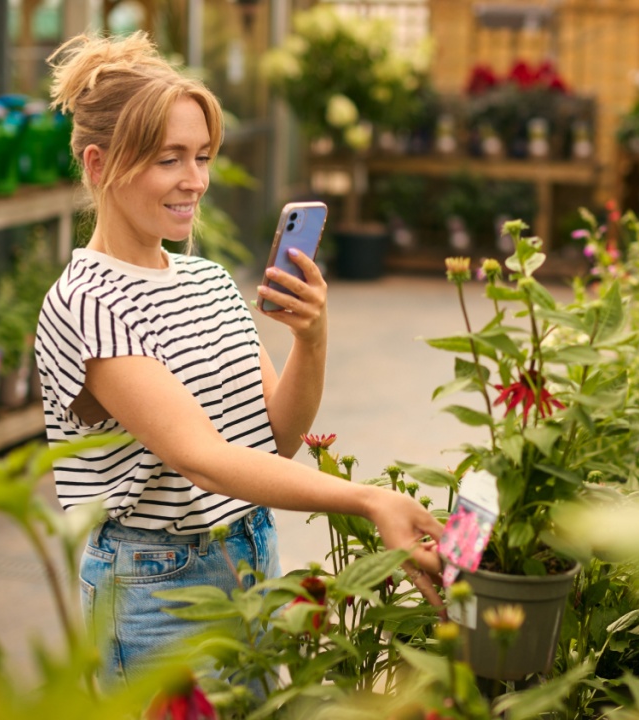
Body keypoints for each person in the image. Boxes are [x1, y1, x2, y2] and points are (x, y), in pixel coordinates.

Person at [35, 32, 442, 688]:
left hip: (251, 555)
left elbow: (273, 440)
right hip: (155, 587)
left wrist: (311, 337)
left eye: (201, 156)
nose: (195, 181)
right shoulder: (87, 302)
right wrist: (367, 499)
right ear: (97, 164)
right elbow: (202, 458)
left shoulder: (206, 281)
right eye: (169, 159)